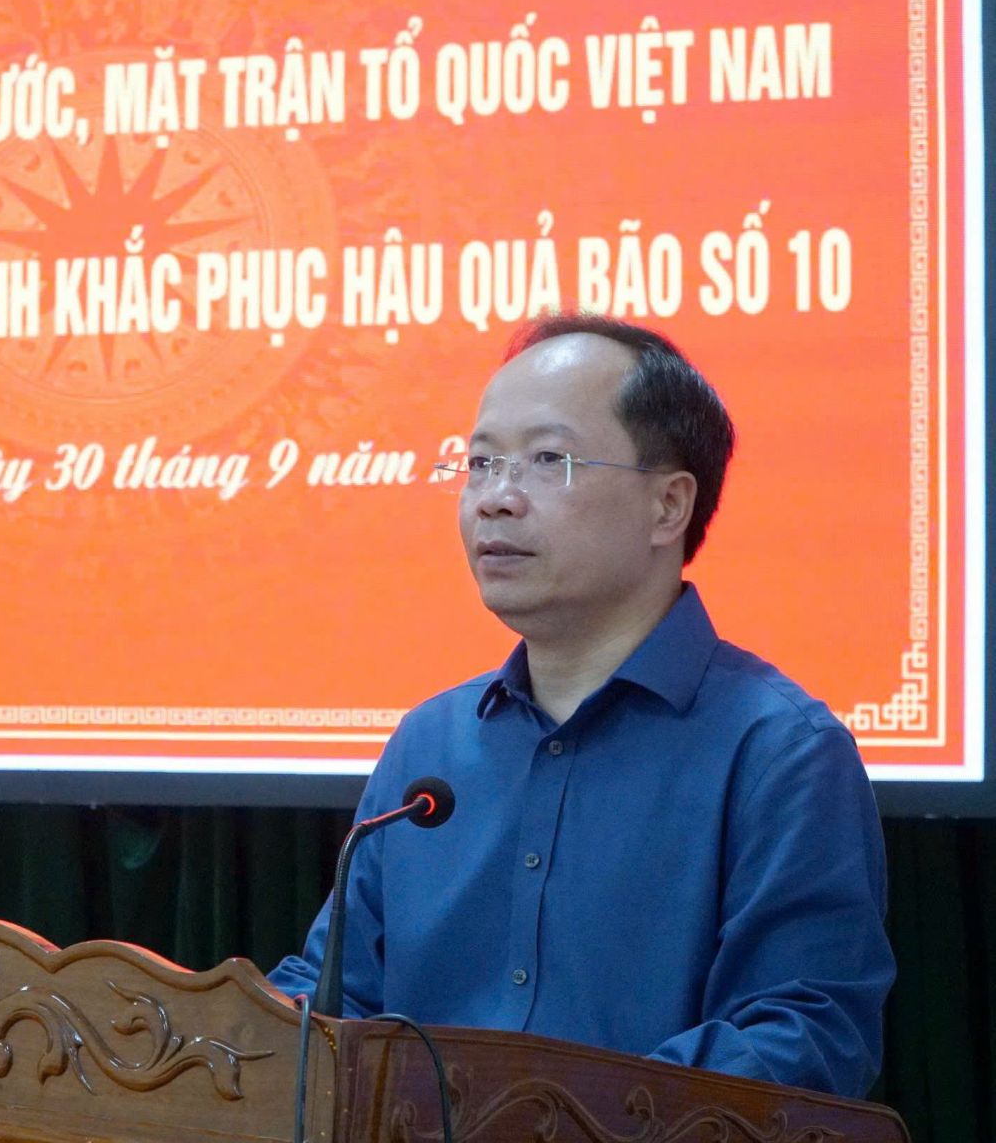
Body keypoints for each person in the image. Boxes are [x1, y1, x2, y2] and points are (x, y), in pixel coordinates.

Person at [267, 313, 893, 1099]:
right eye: (480, 463)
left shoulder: (779, 753)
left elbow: (801, 1039)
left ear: (668, 506)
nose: (495, 499)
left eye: (547, 460)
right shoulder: (431, 745)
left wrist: (552, 1118)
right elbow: (335, 1000)